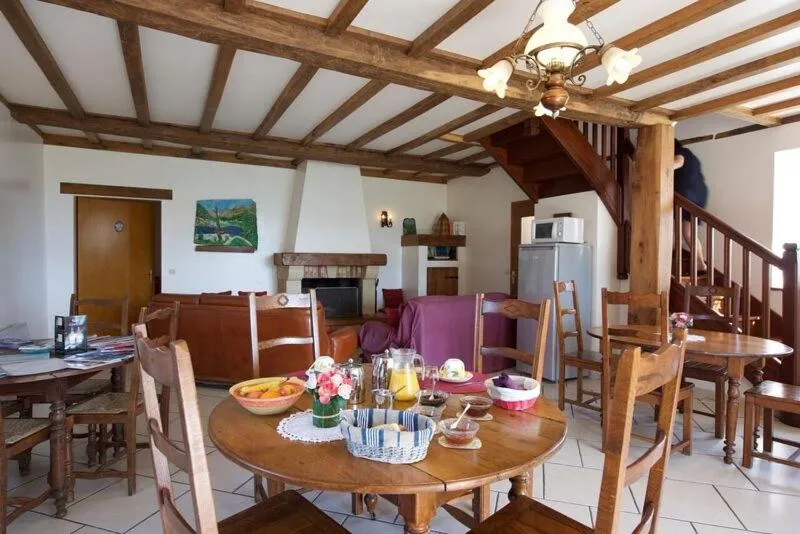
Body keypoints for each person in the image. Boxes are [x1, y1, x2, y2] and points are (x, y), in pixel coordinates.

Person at [674, 139, 709, 273]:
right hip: (698, 196)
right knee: (688, 233)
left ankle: (673, 251)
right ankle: (701, 265)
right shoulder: (690, 155)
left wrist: (660, 167)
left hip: (687, 196)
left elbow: (678, 162)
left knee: (683, 232)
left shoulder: (680, 152)